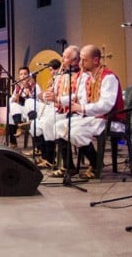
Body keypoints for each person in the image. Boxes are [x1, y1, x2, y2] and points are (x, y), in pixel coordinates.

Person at [53, 45, 124, 179]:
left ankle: (95, 163)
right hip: (92, 117)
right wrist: (60, 100)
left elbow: (106, 105)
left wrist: (82, 109)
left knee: (75, 132)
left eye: (84, 60)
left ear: (96, 60)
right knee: (59, 126)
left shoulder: (108, 77)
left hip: (108, 119)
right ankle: (69, 167)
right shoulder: (89, 77)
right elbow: (79, 98)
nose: (80, 63)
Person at [35, 45, 81, 170]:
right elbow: (54, 94)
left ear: (75, 61)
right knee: (45, 123)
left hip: (76, 111)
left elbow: (75, 96)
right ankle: (50, 159)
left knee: (53, 123)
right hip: (62, 109)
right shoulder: (61, 76)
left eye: (65, 57)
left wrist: (57, 99)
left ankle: (65, 164)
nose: (62, 60)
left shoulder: (79, 76)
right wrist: (48, 94)